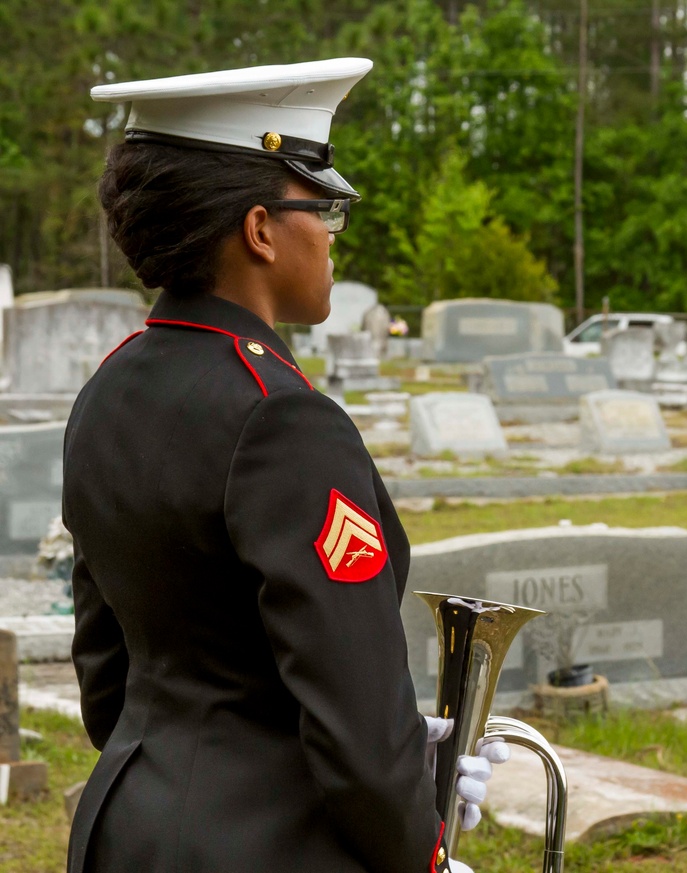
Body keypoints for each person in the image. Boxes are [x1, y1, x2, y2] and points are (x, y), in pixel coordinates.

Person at [64, 58, 505, 873]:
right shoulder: (282, 415)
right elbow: (354, 717)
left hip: (130, 825)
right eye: (325, 208)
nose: (335, 234)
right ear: (261, 230)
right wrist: (426, 849)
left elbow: (107, 675)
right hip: (270, 846)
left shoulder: (109, 387)